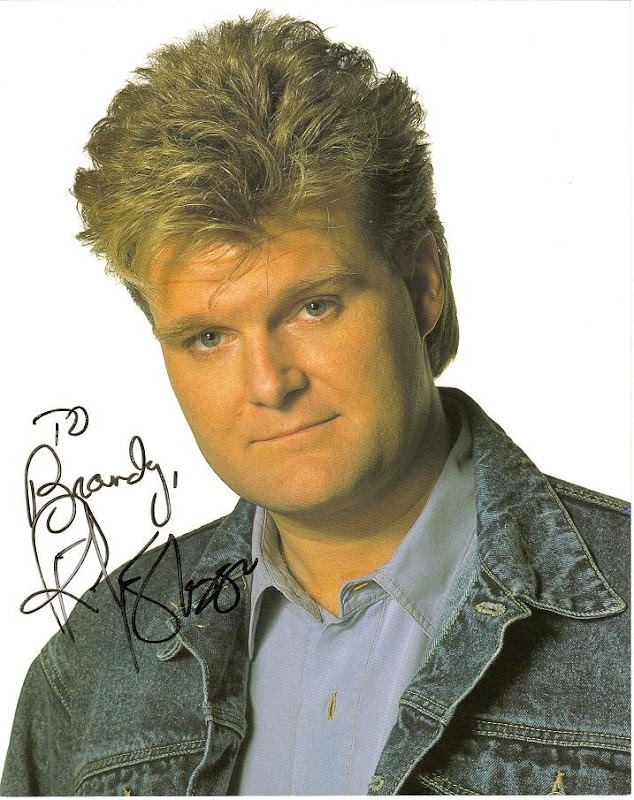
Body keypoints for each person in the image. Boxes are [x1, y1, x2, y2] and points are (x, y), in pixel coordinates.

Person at [1, 10, 629, 796]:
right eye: (208, 337)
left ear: (423, 283)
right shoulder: (95, 667)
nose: (270, 384)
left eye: (313, 307)